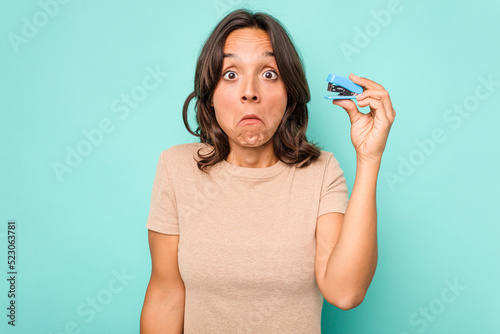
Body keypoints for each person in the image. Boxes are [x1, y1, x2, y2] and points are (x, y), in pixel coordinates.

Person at [140, 8, 395, 334]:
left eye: (269, 73)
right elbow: (165, 294)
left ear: (290, 94)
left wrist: (369, 158)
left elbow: (345, 292)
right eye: (231, 74)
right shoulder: (176, 168)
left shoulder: (321, 172)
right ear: (211, 95)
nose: (250, 91)